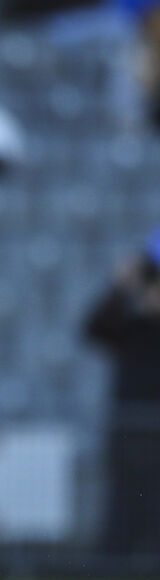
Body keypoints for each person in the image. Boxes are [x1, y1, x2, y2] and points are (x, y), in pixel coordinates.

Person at [84, 229, 160, 559]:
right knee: (125, 500)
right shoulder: (131, 322)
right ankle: (114, 568)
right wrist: (121, 287)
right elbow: (93, 329)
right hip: (129, 426)